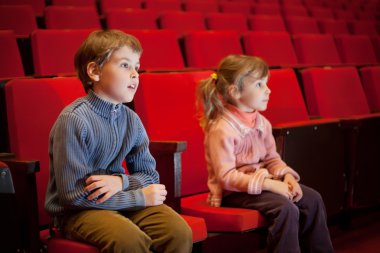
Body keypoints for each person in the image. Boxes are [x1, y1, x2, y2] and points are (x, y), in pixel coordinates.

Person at [45, 30, 192, 253]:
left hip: (121, 198)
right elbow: (74, 196)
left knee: (178, 232)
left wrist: (121, 183)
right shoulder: (73, 120)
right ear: (94, 71)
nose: (135, 74)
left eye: (137, 67)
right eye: (125, 65)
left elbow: (149, 175)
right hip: (78, 212)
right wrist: (139, 196)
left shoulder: (131, 119)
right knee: (129, 240)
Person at [197, 54, 333, 253]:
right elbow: (226, 178)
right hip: (233, 193)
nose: (268, 90)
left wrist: (286, 177)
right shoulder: (222, 128)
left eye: (266, 84)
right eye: (260, 84)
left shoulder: (262, 123)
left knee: (313, 199)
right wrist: (270, 184)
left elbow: (271, 159)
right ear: (235, 91)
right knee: (285, 209)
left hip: (261, 186)